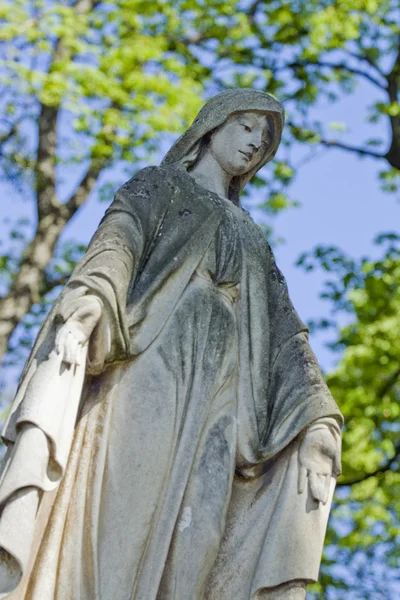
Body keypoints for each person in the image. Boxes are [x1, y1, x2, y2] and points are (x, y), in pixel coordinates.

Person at [0, 89, 342, 600]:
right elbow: (119, 241)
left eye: (265, 138)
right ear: (212, 126)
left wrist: (318, 418)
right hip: (148, 363)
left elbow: (287, 338)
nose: (256, 142)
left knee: (201, 531)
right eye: (247, 127)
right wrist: (91, 300)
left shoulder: (252, 237)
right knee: (127, 509)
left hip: (224, 396)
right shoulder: (158, 186)